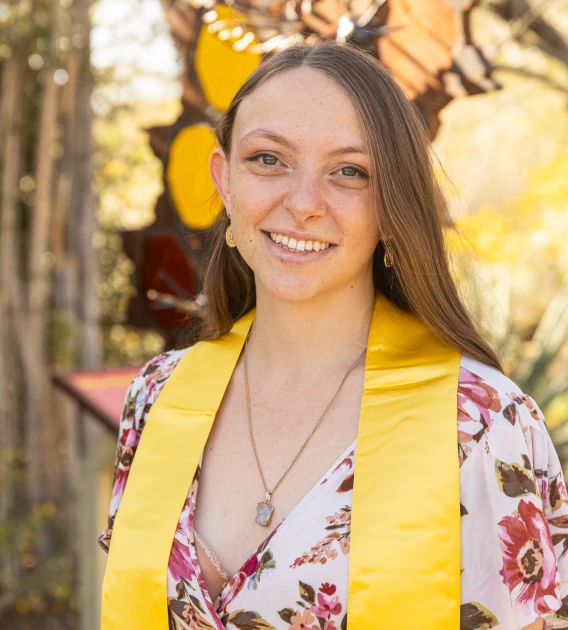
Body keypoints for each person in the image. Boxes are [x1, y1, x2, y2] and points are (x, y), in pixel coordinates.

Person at [99, 42, 568, 630]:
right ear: (224, 179)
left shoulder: (479, 425)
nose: (302, 204)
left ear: (393, 201)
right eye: (268, 159)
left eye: (349, 171)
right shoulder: (156, 396)